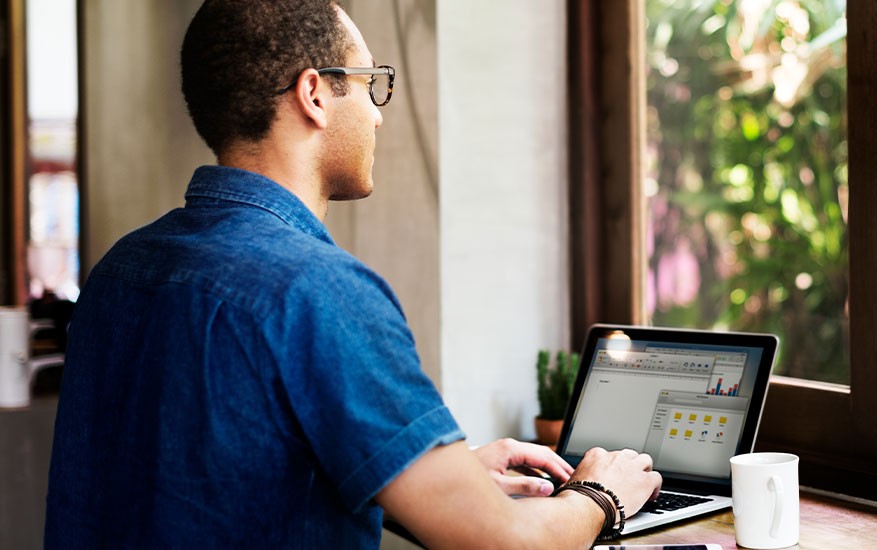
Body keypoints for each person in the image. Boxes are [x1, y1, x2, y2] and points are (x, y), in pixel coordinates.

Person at [44, 0, 661, 547]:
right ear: (314, 94)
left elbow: (218, 479)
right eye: (372, 84)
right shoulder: (318, 291)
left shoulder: (119, 270)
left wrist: (449, 474)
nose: (378, 115)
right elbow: (504, 544)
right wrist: (602, 495)